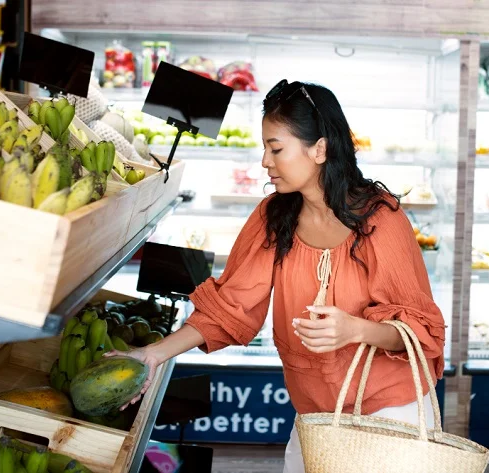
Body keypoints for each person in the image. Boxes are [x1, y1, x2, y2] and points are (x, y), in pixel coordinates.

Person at [107, 80, 446, 471]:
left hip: (389, 414)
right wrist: (153, 354)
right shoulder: (274, 217)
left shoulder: (379, 219)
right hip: (316, 419)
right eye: (265, 148)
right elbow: (228, 307)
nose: (266, 161)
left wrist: (356, 330)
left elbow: (420, 330)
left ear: (319, 149)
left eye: (276, 148)